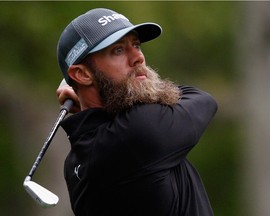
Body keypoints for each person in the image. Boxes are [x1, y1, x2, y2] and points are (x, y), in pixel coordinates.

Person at [56, 8, 217, 216]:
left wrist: (86, 102)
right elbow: (203, 100)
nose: (138, 57)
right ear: (82, 74)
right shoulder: (138, 131)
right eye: (118, 50)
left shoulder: (75, 163)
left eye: (136, 45)